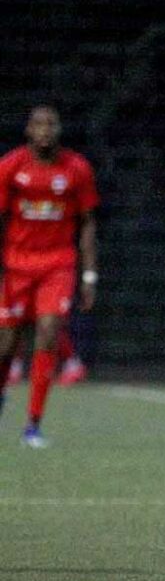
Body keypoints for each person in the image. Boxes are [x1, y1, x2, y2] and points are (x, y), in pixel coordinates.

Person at [0, 105, 99, 448]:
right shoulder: (10, 167)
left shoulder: (76, 169)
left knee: (47, 333)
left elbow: (87, 222)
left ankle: (33, 424)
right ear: (28, 130)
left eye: (50, 125)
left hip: (58, 265)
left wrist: (89, 276)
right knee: (6, 345)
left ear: (59, 129)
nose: (44, 131)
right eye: (38, 125)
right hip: (16, 266)